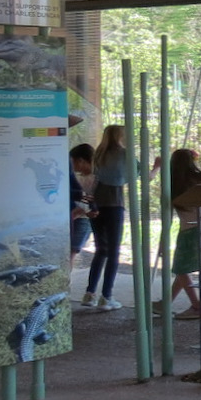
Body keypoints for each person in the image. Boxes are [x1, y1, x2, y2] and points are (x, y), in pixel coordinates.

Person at [81, 125, 130, 309]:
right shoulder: (124, 154)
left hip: (96, 206)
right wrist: (157, 168)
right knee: (114, 252)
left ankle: (89, 293)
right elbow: (139, 174)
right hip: (114, 205)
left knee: (101, 249)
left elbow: (92, 183)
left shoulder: (98, 155)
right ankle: (106, 296)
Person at [168, 148, 201, 320]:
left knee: (180, 268)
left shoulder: (174, 183)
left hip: (189, 228)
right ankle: (166, 302)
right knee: (185, 268)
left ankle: (196, 305)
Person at [68, 143, 95, 271]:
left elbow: (93, 201)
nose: (71, 166)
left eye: (73, 162)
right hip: (77, 217)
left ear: (81, 161)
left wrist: (78, 211)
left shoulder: (95, 179)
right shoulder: (80, 178)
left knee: (71, 253)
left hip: (83, 219)